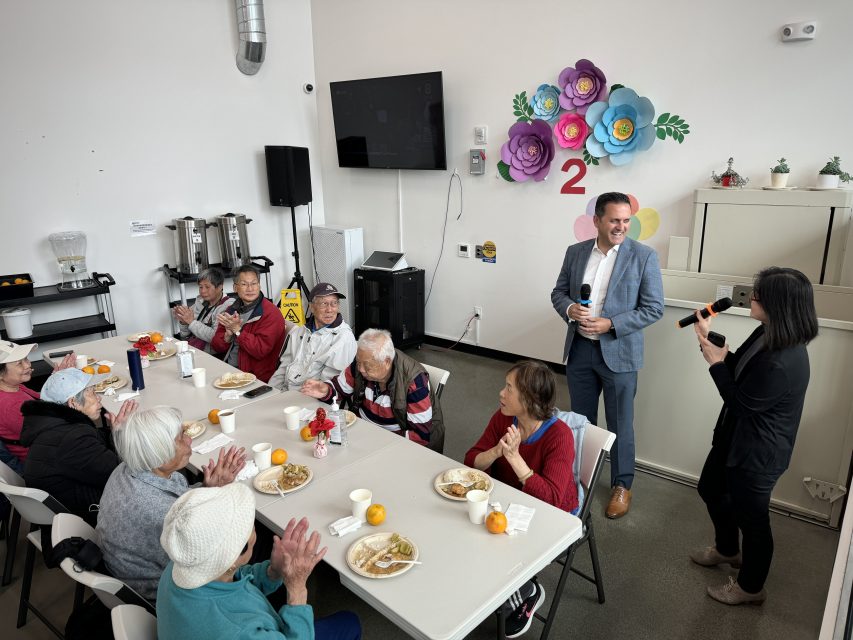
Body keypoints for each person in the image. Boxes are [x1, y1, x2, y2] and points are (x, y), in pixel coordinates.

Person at [691, 267, 817, 606]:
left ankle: (750, 587)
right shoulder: (767, 332)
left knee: (754, 520)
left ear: (778, 303)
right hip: (734, 438)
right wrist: (709, 339)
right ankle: (728, 550)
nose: (752, 297)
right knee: (711, 489)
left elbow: (741, 402)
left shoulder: (784, 359)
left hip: (758, 453)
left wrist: (715, 365)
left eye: (759, 294)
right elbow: (739, 368)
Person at [550, 191, 663, 519]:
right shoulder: (575, 253)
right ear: (597, 220)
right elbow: (558, 292)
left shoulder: (643, 256)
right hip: (581, 350)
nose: (621, 227)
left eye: (626, 221)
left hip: (620, 354)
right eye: (614, 220)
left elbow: (653, 308)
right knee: (581, 422)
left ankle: (622, 484)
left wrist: (612, 323)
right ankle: (577, 479)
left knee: (621, 424)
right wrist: (571, 308)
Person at [157, 483, 361, 640]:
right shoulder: (239, 632)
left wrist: (273, 571)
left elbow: (233, 580)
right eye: (245, 524)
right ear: (236, 556)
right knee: (350, 623)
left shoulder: (180, 566)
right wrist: (297, 590)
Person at [464, 360, 578, 638]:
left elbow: (551, 499)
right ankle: (505, 587)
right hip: (510, 500)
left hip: (555, 513)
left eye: (509, 388)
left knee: (491, 543)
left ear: (529, 399)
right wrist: (496, 452)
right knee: (468, 529)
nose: (501, 393)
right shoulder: (503, 418)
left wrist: (515, 459)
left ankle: (528, 589)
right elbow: (471, 463)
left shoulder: (559, 436)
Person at [97, 406, 246, 601]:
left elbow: (178, 501)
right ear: (160, 455)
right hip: (168, 596)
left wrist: (208, 489)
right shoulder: (164, 512)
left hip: (130, 573)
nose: (189, 440)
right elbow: (205, 559)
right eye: (181, 437)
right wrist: (219, 495)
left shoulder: (127, 468)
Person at [19, 368, 137, 524]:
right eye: (93, 393)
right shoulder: (72, 439)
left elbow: (97, 454)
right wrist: (126, 437)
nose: (99, 399)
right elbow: (124, 474)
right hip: (89, 518)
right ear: (73, 402)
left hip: (71, 507)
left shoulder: (54, 426)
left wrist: (117, 433)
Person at [301, 328, 445, 452]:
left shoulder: (414, 382)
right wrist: (326, 390)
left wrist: (376, 442)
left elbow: (419, 437)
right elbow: (339, 388)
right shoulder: (361, 365)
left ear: (387, 362)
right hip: (362, 434)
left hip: (393, 444)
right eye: (359, 362)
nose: (361, 369)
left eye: (368, 365)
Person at [0, 340, 77, 472]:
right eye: (19, 363)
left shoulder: (13, 388)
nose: (27, 365)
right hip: (48, 462)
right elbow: (55, 432)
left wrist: (56, 379)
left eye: (26, 359)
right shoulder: (11, 406)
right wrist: (78, 410)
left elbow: (41, 400)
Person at [269, 282, 357, 391]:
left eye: (334, 303)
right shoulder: (299, 332)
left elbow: (329, 386)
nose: (330, 309)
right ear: (311, 307)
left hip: (312, 398)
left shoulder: (343, 338)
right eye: (324, 304)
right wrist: (271, 392)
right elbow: (282, 369)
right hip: (286, 393)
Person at [211, 264, 286, 383]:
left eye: (254, 283)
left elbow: (260, 350)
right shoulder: (231, 310)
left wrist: (238, 331)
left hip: (254, 377)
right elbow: (216, 346)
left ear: (259, 285)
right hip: (228, 369)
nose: (250, 289)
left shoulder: (271, 313)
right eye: (244, 284)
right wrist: (228, 335)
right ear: (235, 288)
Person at [173, 267, 234, 354]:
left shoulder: (228, 306)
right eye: (200, 287)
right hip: (195, 351)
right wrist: (183, 321)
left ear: (220, 287)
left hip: (214, 357)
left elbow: (216, 337)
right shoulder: (200, 303)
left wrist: (191, 322)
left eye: (207, 287)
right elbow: (185, 336)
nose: (203, 291)